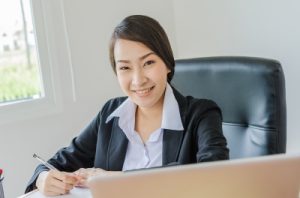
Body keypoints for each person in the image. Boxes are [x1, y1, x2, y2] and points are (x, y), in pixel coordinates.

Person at [25, 15, 229, 196]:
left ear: (167, 63)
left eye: (148, 63)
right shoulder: (110, 114)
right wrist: (43, 178)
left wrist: (117, 178)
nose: (138, 80)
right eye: (125, 67)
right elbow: (59, 162)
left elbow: (213, 176)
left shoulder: (201, 114)